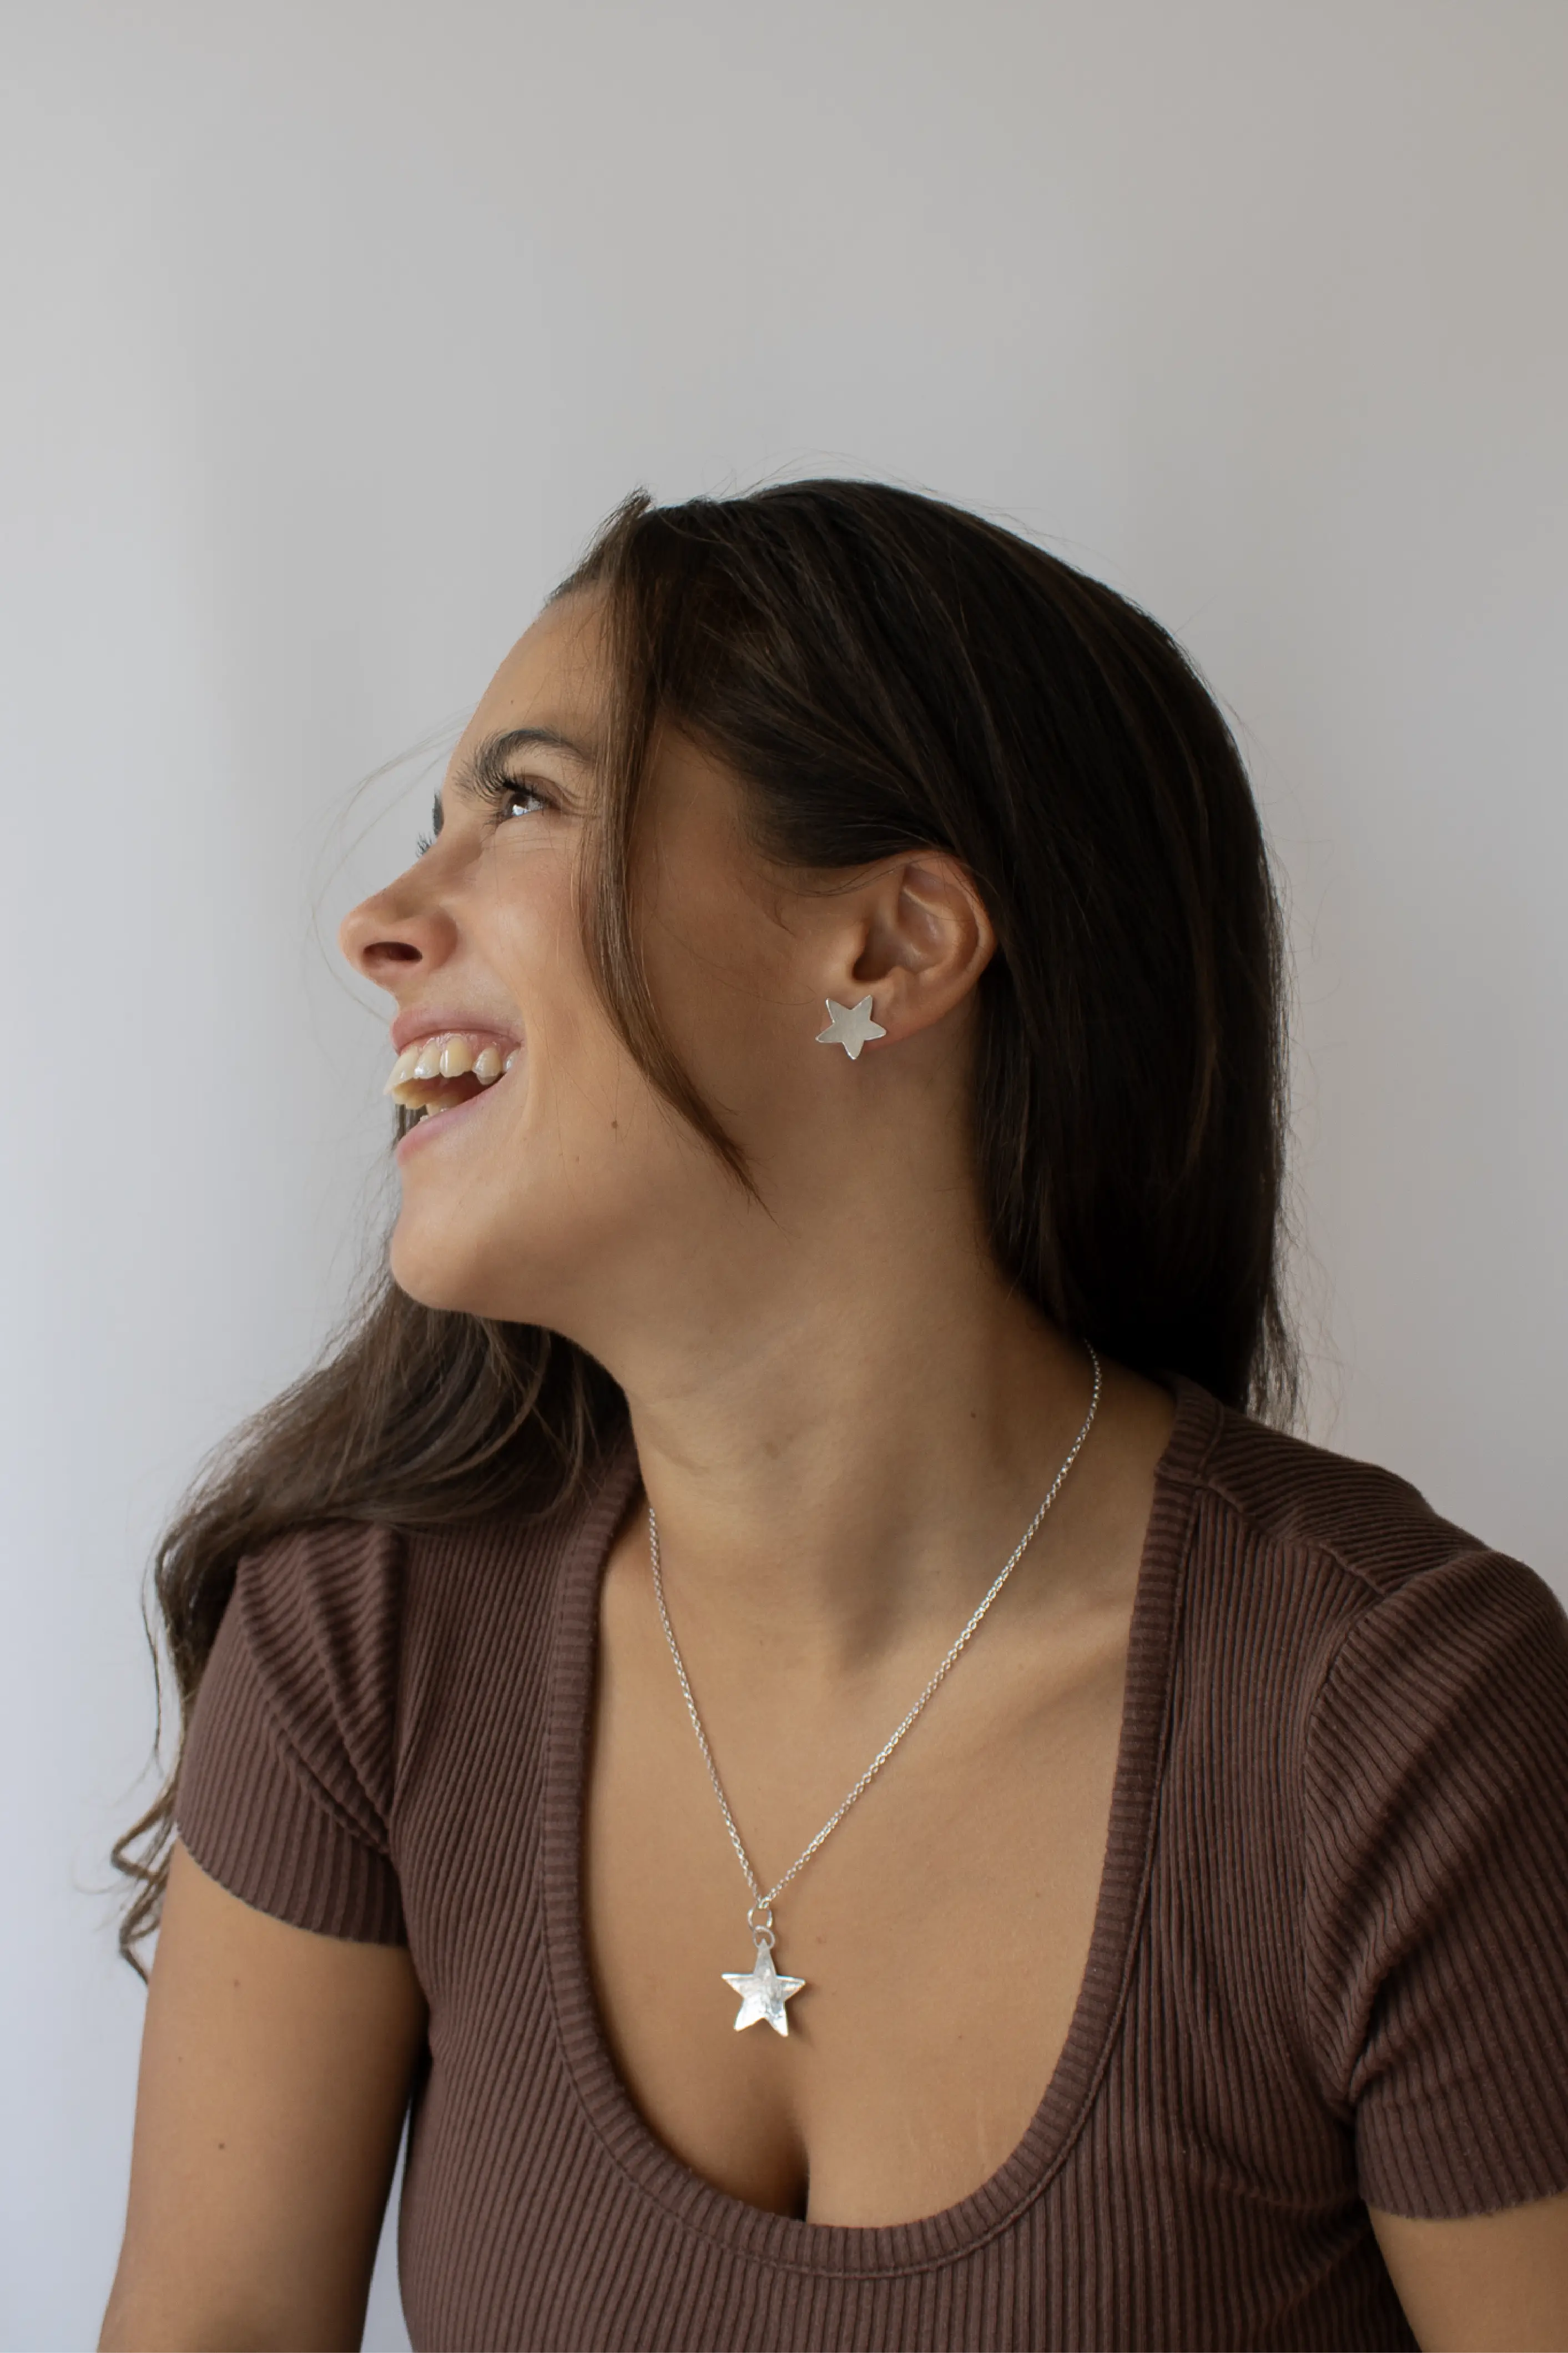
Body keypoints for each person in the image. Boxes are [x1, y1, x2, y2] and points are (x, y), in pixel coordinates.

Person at [100, 483, 1568, 2353]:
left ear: (888, 951)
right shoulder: (363, 1650)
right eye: (434, 826)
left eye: (527, 804)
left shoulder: (1392, 1721)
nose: (383, 924)